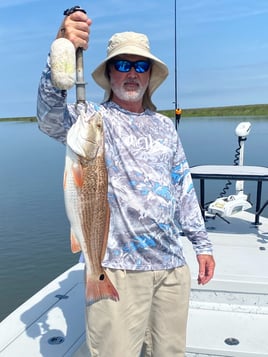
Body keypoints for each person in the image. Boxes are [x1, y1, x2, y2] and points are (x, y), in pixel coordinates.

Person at [37, 9, 215, 357]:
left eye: (140, 66)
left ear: (150, 74)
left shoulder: (164, 126)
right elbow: (48, 117)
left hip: (170, 265)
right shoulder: (92, 119)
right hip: (116, 269)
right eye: (122, 65)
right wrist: (60, 48)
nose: (132, 73)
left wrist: (201, 243)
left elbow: (182, 185)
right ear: (109, 74)